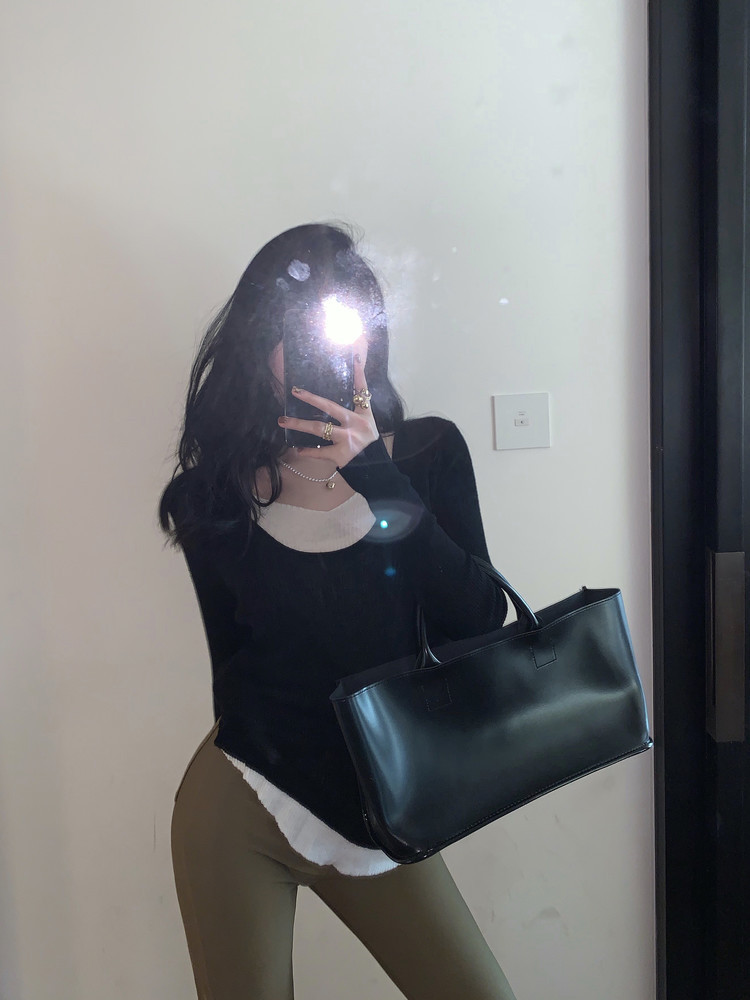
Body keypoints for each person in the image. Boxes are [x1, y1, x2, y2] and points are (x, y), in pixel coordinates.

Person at [158, 223, 518, 1000]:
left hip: (381, 802)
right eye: (292, 329)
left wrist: (376, 477)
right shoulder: (212, 496)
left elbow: (480, 619)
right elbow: (234, 678)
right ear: (259, 343)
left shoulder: (425, 455)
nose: (313, 352)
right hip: (249, 800)